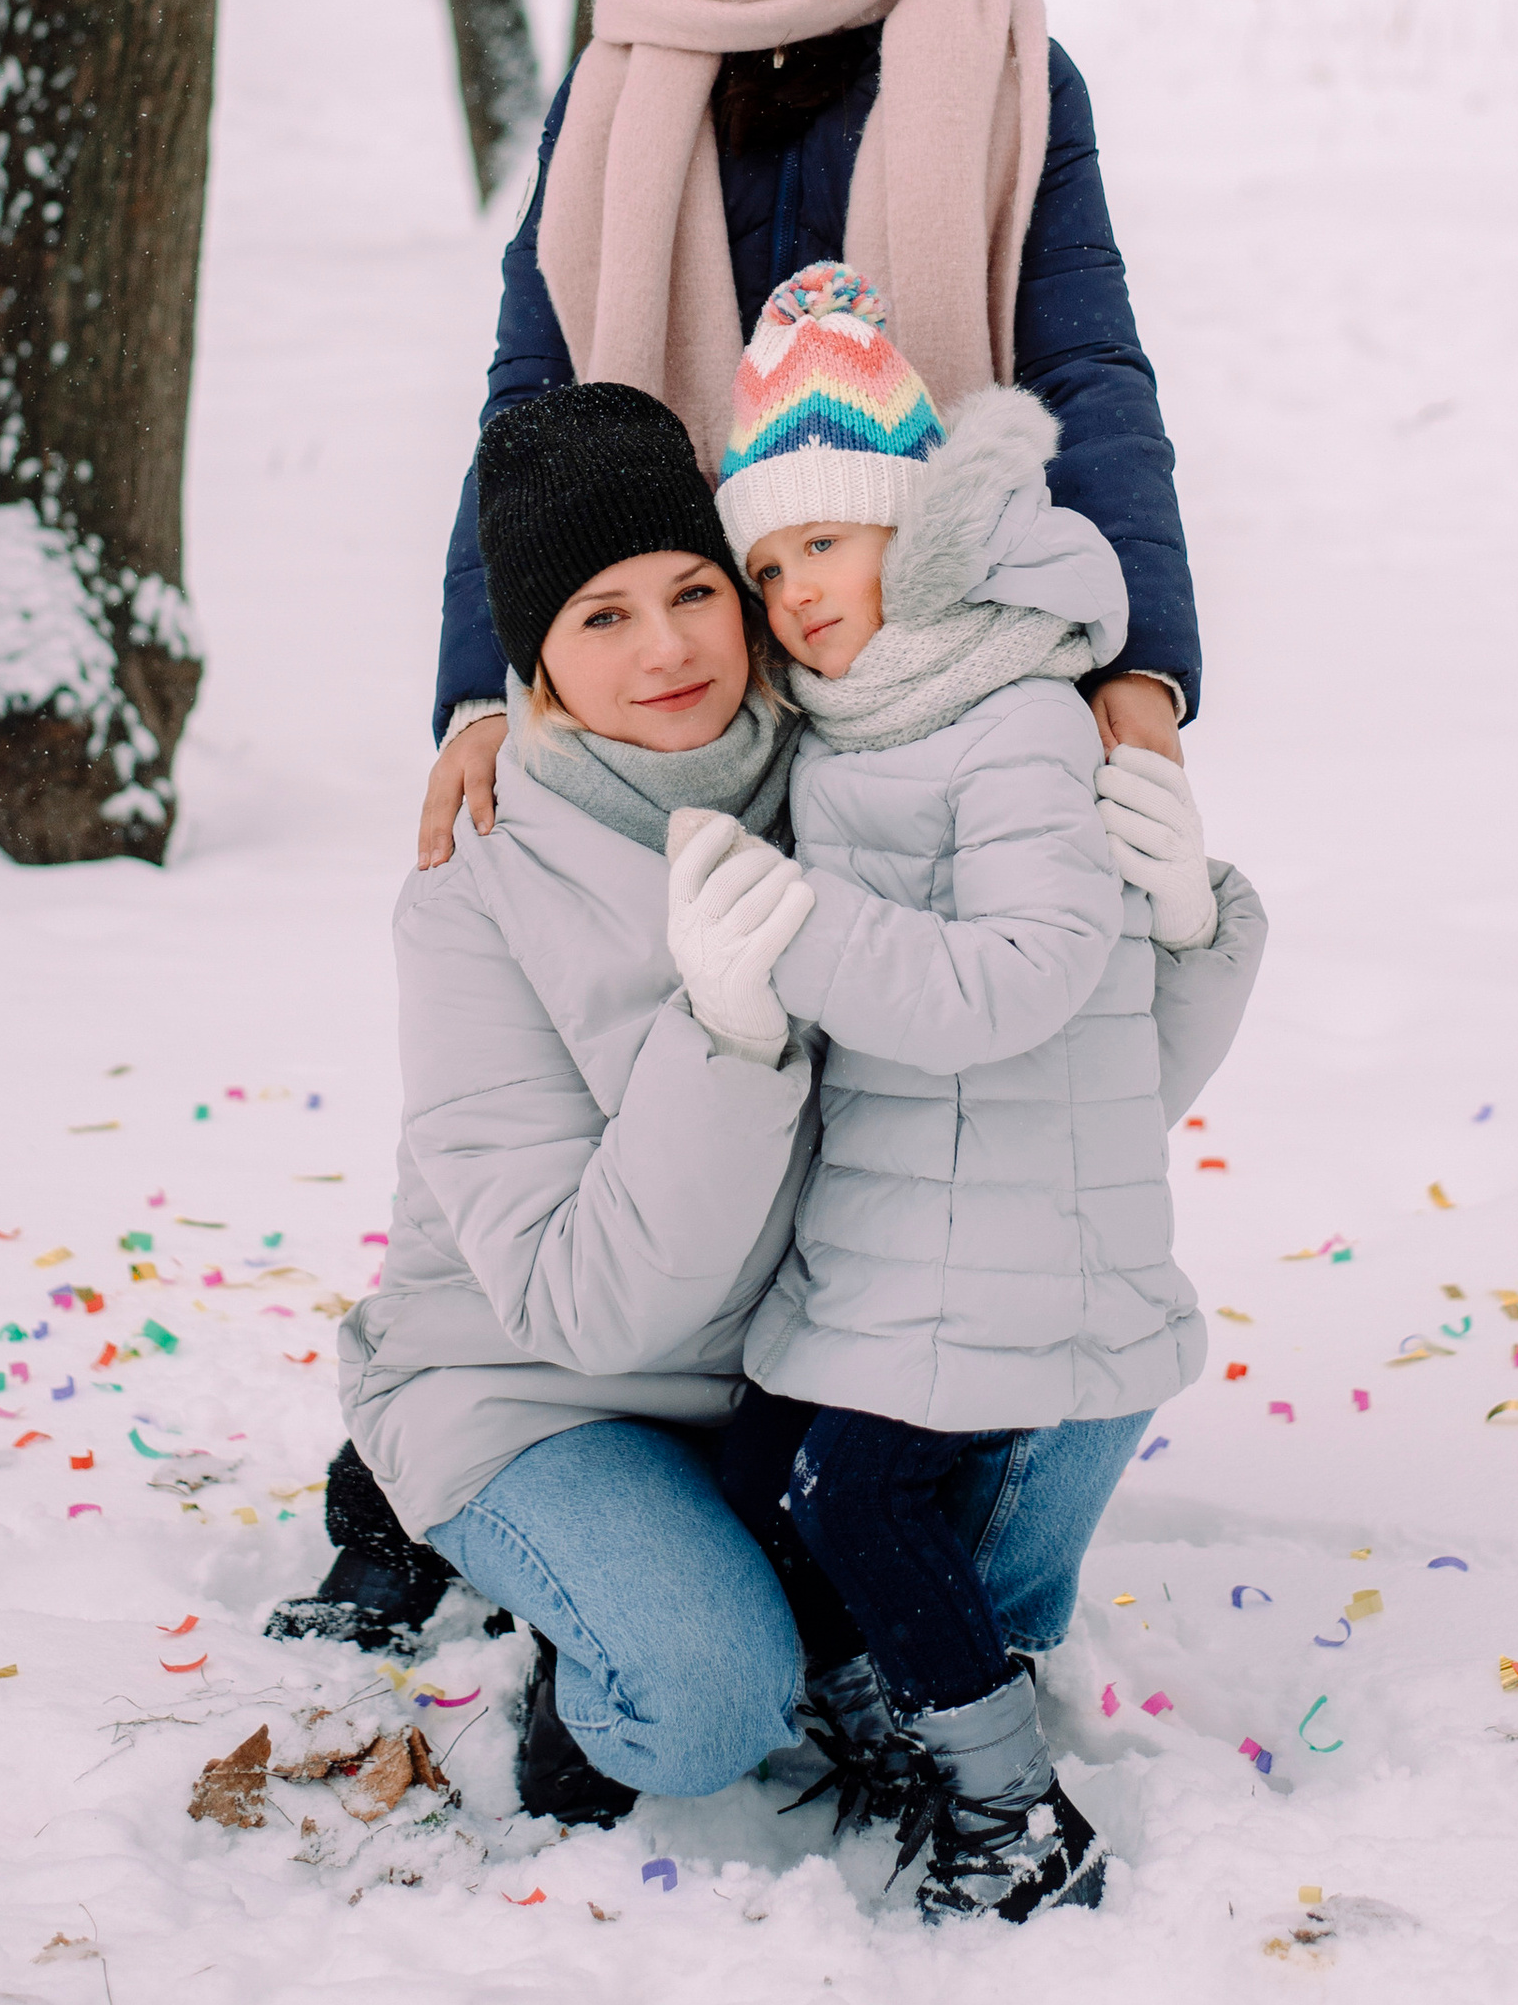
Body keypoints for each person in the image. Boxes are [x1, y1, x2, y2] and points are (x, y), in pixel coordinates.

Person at [312, 374, 1196, 1829]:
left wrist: (1178, 935)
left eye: (694, 591)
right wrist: (724, 1042)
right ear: (534, 656)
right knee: (710, 1694)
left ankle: (794, 1583)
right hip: (543, 1391)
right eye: (600, 617)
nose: (664, 649)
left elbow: (1049, 1105)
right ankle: (557, 1595)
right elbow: (583, 1308)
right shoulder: (474, 888)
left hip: (783, 1373)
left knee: (1073, 1344)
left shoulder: (844, 775)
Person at [419, 0, 1200, 875]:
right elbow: (535, 403)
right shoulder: (615, 83)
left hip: (943, 671)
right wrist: (482, 689)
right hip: (688, 683)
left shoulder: (994, 54)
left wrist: (1143, 664)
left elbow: (1084, 363)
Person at [703, 265, 1269, 1924]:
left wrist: (791, 921)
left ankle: (1016, 1808)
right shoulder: (862, 715)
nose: (798, 589)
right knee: (759, 1476)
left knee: (854, 1493)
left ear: (918, 524)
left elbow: (1018, 974)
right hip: (903, 1222)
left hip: (1015, 1221)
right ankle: (891, 1701)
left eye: (830, 539)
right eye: (770, 559)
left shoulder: (1013, 707)